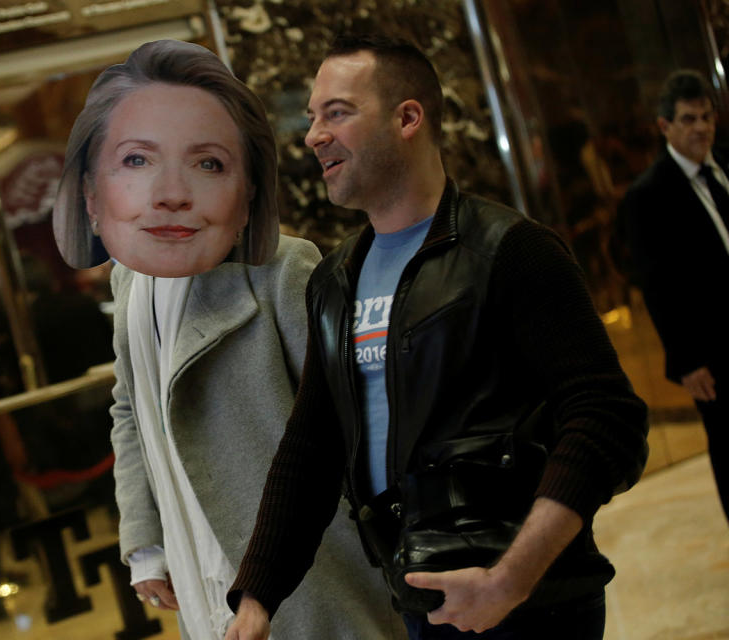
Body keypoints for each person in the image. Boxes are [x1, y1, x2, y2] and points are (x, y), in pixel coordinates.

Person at [225, 35, 649, 640]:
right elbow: (311, 447)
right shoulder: (334, 281)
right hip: (419, 598)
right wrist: (258, 598)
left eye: (337, 112)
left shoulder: (510, 250)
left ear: (408, 118)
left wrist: (512, 577)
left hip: (530, 604)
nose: (313, 135)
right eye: (313, 117)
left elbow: (607, 416)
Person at [51, 40, 400, 639]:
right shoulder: (131, 275)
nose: (171, 190)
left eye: (207, 163)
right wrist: (144, 542)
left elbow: (350, 428)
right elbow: (130, 410)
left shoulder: (284, 270)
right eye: (137, 160)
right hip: (196, 569)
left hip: (307, 583)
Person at [619, 69, 729, 523]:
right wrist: (686, 360)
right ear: (665, 126)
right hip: (713, 351)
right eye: (688, 119)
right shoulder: (650, 195)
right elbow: (657, 284)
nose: (701, 127)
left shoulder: (725, 165)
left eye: (706, 116)